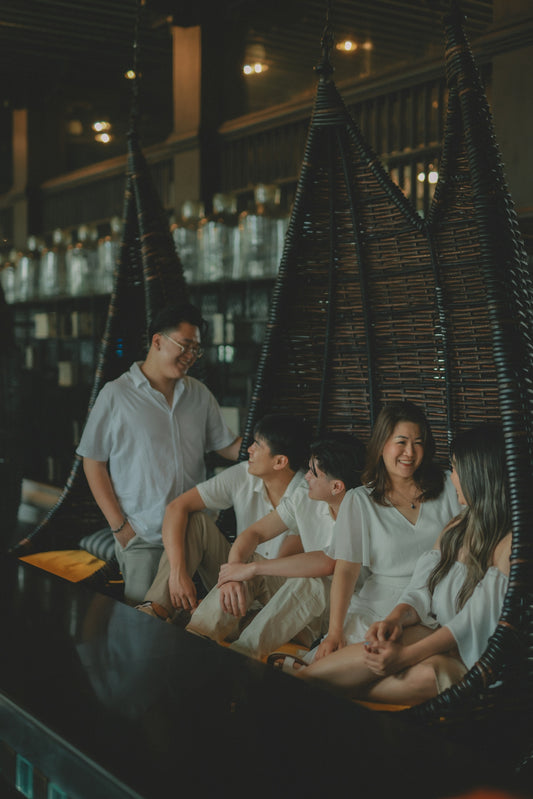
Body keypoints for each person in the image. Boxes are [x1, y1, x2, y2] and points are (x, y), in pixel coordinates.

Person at [299, 424, 511, 706]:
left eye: (457, 469)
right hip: (437, 635)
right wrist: (395, 618)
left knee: (427, 672)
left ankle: (318, 689)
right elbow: (422, 585)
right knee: (382, 646)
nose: (454, 479)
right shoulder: (458, 525)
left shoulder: (510, 543)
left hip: (475, 659)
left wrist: (406, 657)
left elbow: (471, 620)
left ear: (479, 473)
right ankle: (300, 684)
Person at [77, 303, 241, 604]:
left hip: (194, 532)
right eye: (186, 346)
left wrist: (268, 447)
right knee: (145, 632)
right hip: (145, 537)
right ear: (157, 341)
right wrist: (121, 528)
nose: (191, 356)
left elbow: (226, 446)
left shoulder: (198, 394)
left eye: (197, 349)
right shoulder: (116, 394)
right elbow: (93, 462)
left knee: (198, 627)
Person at [186, 432, 366, 659]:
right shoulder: (305, 496)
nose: (306, 476)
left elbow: (327, 563)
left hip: (339, 610)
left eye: (313, 472)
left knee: (312, 582)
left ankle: (243, 655)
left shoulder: (361, 511)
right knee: (248, 561)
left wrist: (253, 569)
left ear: (337, 486)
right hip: (299, 603)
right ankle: (194, 639)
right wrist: (234, 571)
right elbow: (255, 532)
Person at [309, 400, 461, 663]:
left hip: (440, 601)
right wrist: (334, 632)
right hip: (378, 605)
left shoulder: (449, 487)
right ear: (381, 445)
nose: (410, 453)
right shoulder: (359, 500)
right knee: (337, 666)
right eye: (401, 442)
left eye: (418, 442)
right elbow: (345, 570)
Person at [139, 413, 313, 621]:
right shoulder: (244, 474)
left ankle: (223, 615)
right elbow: (176, 508)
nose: (249, 449)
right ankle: (156, 609)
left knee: (253, 572)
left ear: (279, 461)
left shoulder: (307, 495)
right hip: (235, 573)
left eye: (258, 444)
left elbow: (274, 570)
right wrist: (178, 572)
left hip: (277, 590)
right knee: (196, 522)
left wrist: (220, 596)